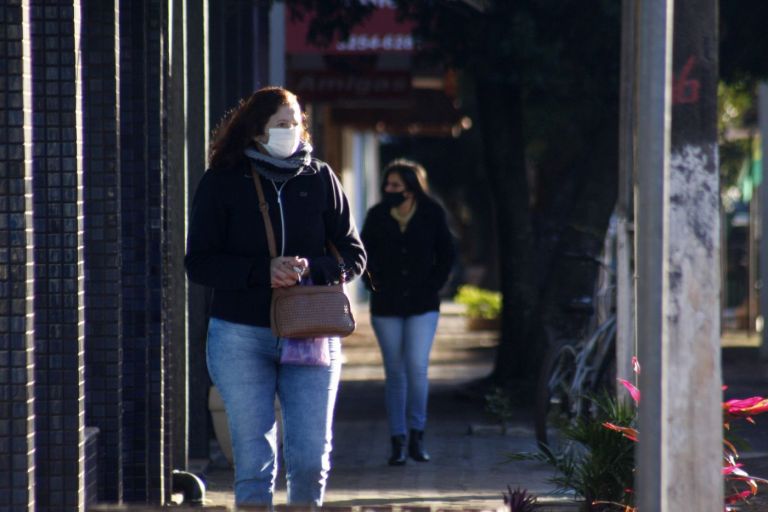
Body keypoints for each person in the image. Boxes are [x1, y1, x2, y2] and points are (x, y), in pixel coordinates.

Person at [185, 86, 366, 507]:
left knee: (309, 458)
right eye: (280, 125)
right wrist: (260, 271)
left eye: (295, 123)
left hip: (311, 334)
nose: (291, 131)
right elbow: (200, 263)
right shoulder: (222, 182)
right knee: (253, 461)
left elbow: (354, 255)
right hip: (240, 335)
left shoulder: (320, 178)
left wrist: (312, 269)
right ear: (256, 132)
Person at [361, 159, 456, 465]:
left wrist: (434, 285)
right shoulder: (376, 215)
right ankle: (397, 440)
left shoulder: (431, 213)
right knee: (395, 372)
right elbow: (363, 253)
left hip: (422, 304)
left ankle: (418, 434)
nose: (389, 190)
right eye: (387, 185)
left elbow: (447, 253)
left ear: (412, 189)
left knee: (417, 367)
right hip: (386, 305)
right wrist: (373, 284)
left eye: (396, 186)